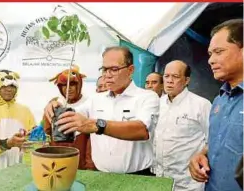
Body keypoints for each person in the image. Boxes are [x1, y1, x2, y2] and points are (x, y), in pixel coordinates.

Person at [44, 46, 159, 175]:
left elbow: (142, 130)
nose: (107, 75)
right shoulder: (95, 100)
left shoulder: (147, 97)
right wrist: (56, 107)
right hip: (101, 174)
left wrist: (96, 125)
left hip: (138, 177)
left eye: (114, 69)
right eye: (104, 69)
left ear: (130, 70)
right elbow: (73, 116)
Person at [189, 19, 243, 191]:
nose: (211, 60)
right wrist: (202, 154)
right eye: (210, 54)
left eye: (219, 52)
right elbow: (221, 141)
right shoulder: (220, 99)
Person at [153, 60, 211, 191]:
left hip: (189, 183)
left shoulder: (201, 105)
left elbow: (212, 140)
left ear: (186, 80)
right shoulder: (157, 104)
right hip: (160, 180)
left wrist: (200, 156)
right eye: (166, 76)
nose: (169, 80)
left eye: (175, 76)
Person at [43, 65, 96, 170]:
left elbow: (94, 139)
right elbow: (47, 130)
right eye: (63, 85)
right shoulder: (55, 103)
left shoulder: (90, 104)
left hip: (81, 159)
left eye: (72, 84)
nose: (68, 88)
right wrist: (48, 112)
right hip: (57, 157)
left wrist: (89, 165)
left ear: (79, 84)